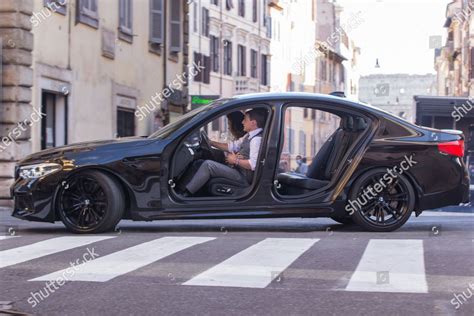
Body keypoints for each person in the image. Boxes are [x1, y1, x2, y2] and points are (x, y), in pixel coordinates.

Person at [182, 108, 267, 196]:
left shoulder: (256, 140)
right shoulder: (248, 136)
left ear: (253, 123)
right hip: (238, 170)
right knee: (201, 163)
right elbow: (232, 146)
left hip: (243, 176)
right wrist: (211, 142)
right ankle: (185, 189)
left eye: (245, 119)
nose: (242, 122)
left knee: (208, 165)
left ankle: (186, 194)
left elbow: (253, 164)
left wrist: (236, 161)